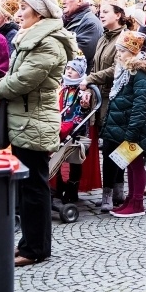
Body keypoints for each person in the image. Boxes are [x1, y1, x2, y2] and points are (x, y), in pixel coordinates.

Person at [0, 0, 78, 266]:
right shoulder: (32, 38)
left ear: (39, 13)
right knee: (28, 187)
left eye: (24, 7)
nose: (19, 11)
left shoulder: (47, 43)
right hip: (25, 119)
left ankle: (35, 249)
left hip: (35, 121)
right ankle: (28, 243)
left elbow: (24, 80)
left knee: (35, 188)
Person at [81, 0, 134, 211]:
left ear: (119, 14)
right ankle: (116, 192)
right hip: (101, 97)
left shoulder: (128, 36)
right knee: (110, 145)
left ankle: (110, 194)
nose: (100, 15)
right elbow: (95, 64)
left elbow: (119, 67)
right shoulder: (104, 36)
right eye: (99, 11)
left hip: (119, 98)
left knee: (116, 146)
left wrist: (90, 79)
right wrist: (89, 89)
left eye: (105, 12)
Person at [101, 32, 146, 218]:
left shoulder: (141, 71)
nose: (118, 54)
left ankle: (137, 203)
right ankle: (131, 198)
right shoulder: (126, 69)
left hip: (135, 128)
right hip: (127, 125)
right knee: (129, 163)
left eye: (121, 50)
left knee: (136, 165)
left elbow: (140, 104)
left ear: (133, 51)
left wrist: (132, 131)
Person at [54, 54, 93, 204]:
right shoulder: (63, 86)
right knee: (56, 157)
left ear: (81, 73)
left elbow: (84, 111)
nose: (69, 71)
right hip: (62, 126)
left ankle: (72, 188)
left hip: (77, 129)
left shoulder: (83, 90)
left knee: (75, 161)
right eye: (68, 68)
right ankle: (58, 185)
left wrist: (84, 106)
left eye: (74, 70)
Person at [60, 0, 102, 69]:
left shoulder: (91, 22)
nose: (63, 2)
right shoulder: (68, 20)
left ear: (79, 1)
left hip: (79, 77)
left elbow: (79, 54)